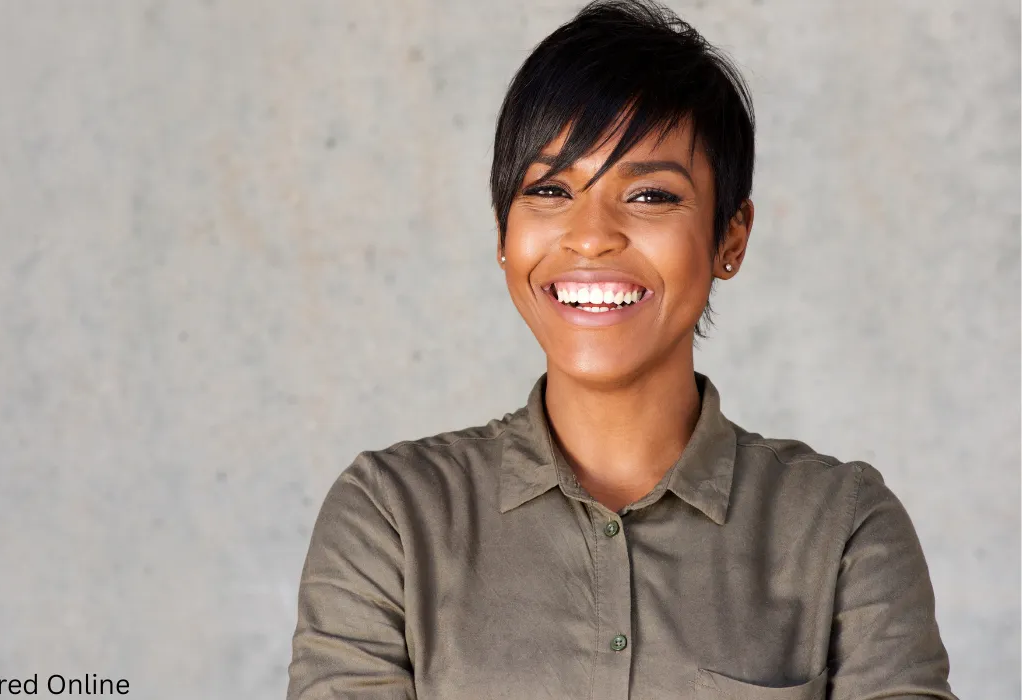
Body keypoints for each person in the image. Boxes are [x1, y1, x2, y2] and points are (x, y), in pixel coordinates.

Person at [286, 1, 956, 698]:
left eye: (650, 195)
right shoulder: (393, 518)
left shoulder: (842, 527)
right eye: (549, 189)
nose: (591, 235)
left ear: (731, 237)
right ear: (502, 235)